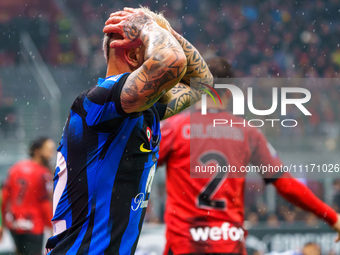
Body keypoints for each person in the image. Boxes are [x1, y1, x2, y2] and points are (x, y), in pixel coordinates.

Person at [46, 7, 211, 254]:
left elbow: (203, 82)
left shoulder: (145, 109)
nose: (167, 46)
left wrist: (164, 30)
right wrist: (148, 27)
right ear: (134, 55)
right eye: (158, 43)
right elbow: (172, 62)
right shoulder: (99, 103)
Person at [158, 57, 340, 255]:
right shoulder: (247, 133)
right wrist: (333, 217)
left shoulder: (175, 129)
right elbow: (287, 184)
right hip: (228, 245)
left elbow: (138, 166)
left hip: (184, 245)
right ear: (229, 93)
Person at [2, 137, 55, 255]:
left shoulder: (15, 168)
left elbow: (4, 197)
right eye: (48, 150)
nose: (51, 154)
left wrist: (3, 224)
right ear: (37, 151)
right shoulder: (43, 174)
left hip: (15, 223)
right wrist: (53, 226)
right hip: (34, 224)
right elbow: (44, 202)